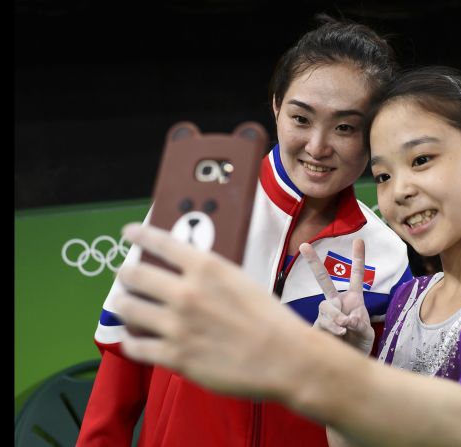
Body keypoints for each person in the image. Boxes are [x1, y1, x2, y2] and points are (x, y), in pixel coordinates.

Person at [111, 66, 461, 447]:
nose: (402, 191)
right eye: (383, 176)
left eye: (421, 160)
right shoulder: (413, 297)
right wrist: (345, 360)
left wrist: (317, 371)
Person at [77, 16, 413, 446]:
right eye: (301, 118)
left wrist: (355, 361)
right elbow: (125, 355)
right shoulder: (198, 201)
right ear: (276, 107)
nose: (317, 146)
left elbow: (383, 418)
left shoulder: (386, 256)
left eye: (345, 127)